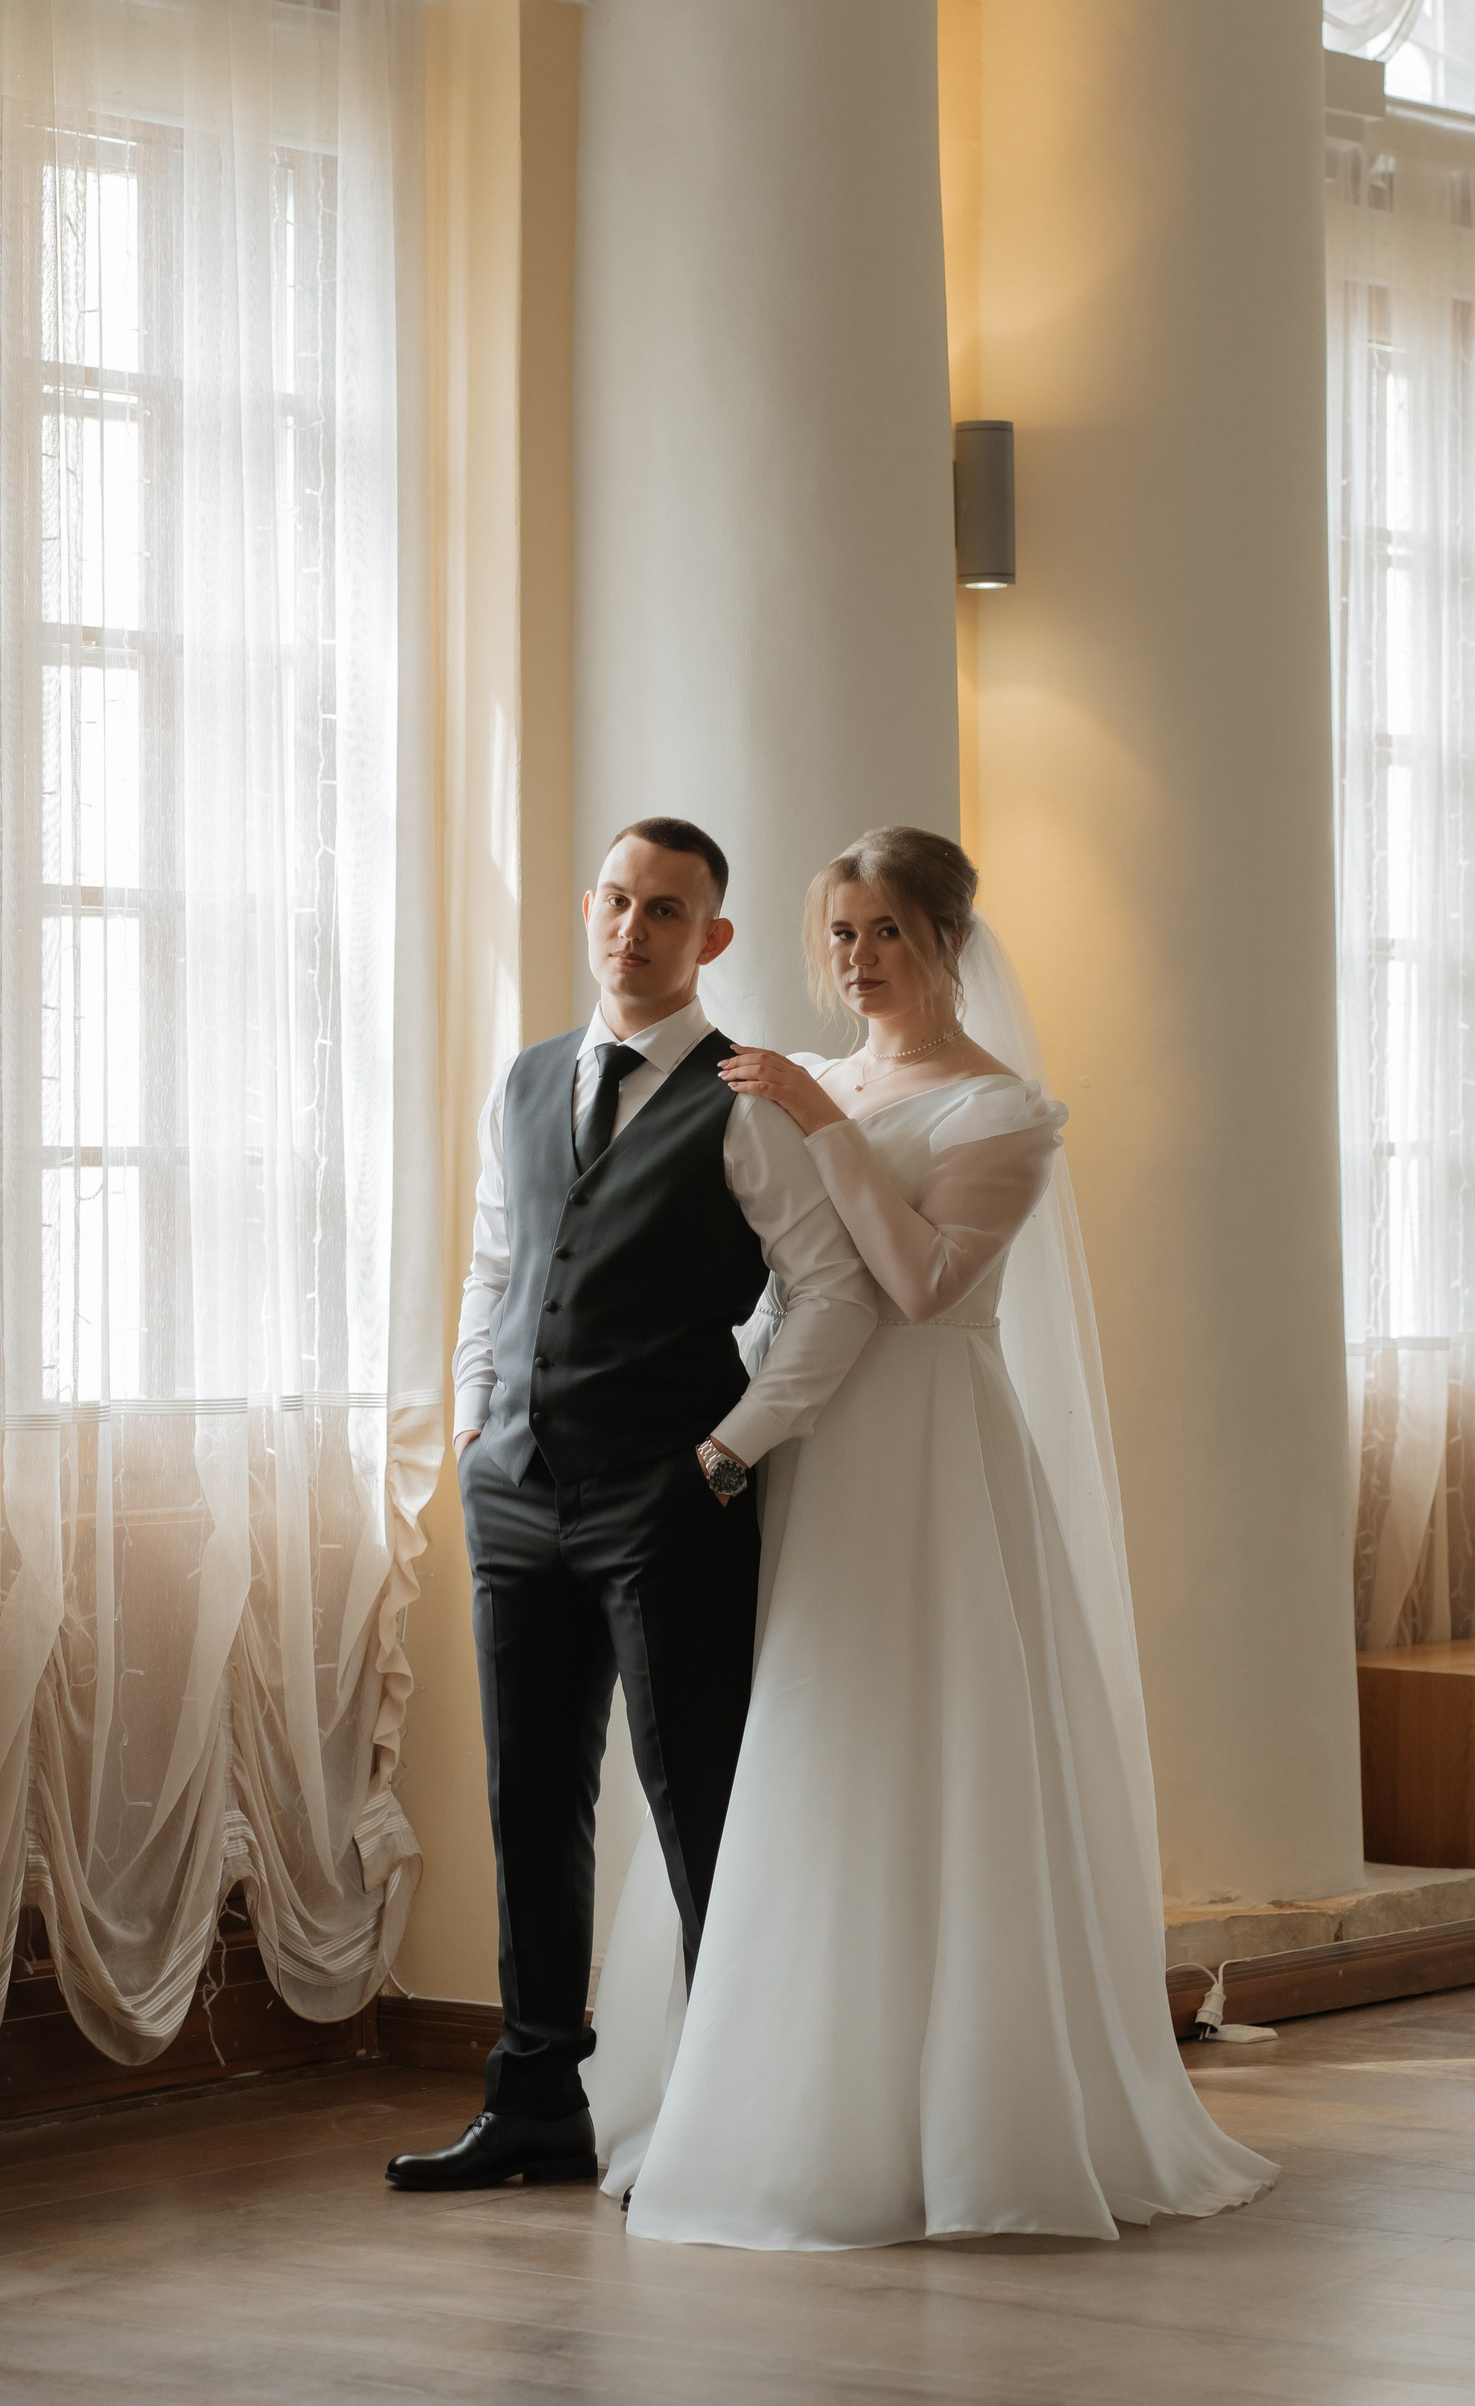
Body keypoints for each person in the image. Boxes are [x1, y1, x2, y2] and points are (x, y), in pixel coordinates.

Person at [587, 826, 1276, 2247]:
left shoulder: (999, 1111)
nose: (858, 960)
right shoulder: (807, 1077)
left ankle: (932, 2119)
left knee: (918, 1748)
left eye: (887, 930)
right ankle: (748, 2082)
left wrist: (823, 1126)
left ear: (949, 940)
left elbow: (916, 1289)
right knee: (778, 1737)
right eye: (841, 933)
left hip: (924, 1453)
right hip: (799, 1436)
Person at [386, 817, 878, 2193]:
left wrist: (726, 1455)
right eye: (615, 899)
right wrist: (475, 1419)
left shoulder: (747, 1100)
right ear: (589, 910)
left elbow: (832, 1295)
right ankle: (537, 2099)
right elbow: (495, 1264)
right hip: (515, 1493)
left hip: (669, 1499)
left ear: (711, 938)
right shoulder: (529, 1077)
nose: (632, 928)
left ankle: (744, 2118)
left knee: (700, 1806)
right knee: (530, 1805)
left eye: (666, 910)